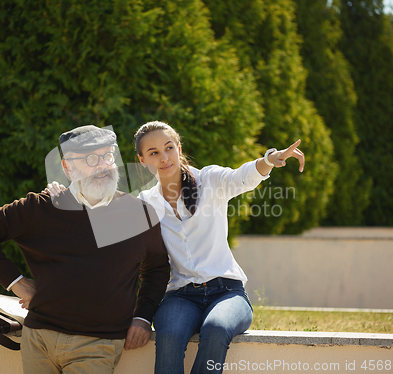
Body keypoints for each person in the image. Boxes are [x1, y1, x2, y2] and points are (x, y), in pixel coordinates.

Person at [46, 121, 305, 374]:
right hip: (180, 296)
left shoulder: (210, 180)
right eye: (153, 153)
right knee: (168, 335)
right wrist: (67, 194)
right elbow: (102, 218)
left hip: (227, 292)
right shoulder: (146, 203)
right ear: (143, 160)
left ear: (179, 148)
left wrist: (270, 159)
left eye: (169, 148)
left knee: (215, 328)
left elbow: (243, 177)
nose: (164, 157)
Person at [0, 125, 170, 374]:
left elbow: (156, 268)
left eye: (108, 156)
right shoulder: (40, 207)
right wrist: (16, 282)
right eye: (91, 158)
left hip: (98, 343)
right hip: (38, 339)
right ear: (68, 168)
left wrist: (143, 316)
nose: (103, 165)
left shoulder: (139, 213)